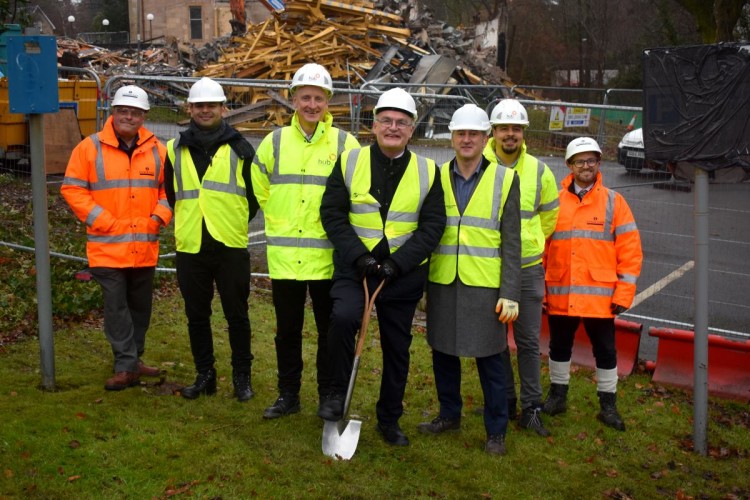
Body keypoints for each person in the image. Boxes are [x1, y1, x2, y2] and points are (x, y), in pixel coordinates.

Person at [319, 87, 446, 446]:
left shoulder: (428, 171)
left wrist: (397, 264)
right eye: (386, 121)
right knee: (343, 319)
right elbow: (332, 214)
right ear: (374, 126)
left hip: (401, 276)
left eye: (401, 123)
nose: (393, 127)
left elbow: (433, 226)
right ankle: (333, 395)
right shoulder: (349, 162)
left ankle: (389, 418)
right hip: (355, 268)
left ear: (412, 129)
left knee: (397, 347)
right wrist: (360, 256)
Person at [250, 64, 360, 419]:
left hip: (328, 260)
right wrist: (282, 219)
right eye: (305, 97)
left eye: (318, 98)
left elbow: (356, 195)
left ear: (328, 102)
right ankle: (288, 395)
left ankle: (328, 395)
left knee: (329, 332)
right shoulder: (275, 141)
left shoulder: (345, 144)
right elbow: (260, 188)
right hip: (285, 258)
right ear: (293, 99)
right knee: (287, 331)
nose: (311, 104)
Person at [418, 104, 522, 455]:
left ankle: (496, 430)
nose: (466, 140)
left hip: (485, 287)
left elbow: (512, 241)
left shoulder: (506, 179)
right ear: (452, 137)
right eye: (461, 133)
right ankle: (450, 414)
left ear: (485, 138)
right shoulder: (434, 176)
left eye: (473, 134)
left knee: (491, 359)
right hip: (444, 282)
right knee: (443, 353)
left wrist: (510, 292)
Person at [61, 85, 173, 390]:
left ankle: (134, 359)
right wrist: (103, 220)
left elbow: (169, 191)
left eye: (135, 112)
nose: (129, 116)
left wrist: (157, 219)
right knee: (116, 308)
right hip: (107, 249)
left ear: (144, 116)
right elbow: (72, 188)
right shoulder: (89, 147)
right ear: (113, 112)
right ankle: (125, 364)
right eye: (124, 111)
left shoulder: (158, 150)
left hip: (143, 246)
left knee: (140, 308)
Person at [164, 77, 259, 402]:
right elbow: (172, 192)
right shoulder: (174, 150)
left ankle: (241, 378)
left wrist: (229, 220)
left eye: (211, 105)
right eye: (199, 105)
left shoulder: (241, 148)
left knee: (237, 315)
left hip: (229, 245)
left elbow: (254, 197)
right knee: (197, 315)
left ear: (223, 108)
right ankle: (205, 375)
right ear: (190, 108)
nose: (205, 110)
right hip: (191, 245)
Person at [542, 137, 642, 431]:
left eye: (591, 161)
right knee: (559, 346)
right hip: (561, 290)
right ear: (570, 165)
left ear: (599, 164)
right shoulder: (555, 203)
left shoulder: (614, 202)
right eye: (580, 161)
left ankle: (608, 406)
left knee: (606, 350)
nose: (586, 166)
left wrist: (624, 292)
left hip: (601, 297)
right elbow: (544, 246)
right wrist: (543, 288)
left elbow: (630, 251)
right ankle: (557, 397)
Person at [483, 99, 559, 436]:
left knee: (528, 341)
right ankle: (505, 400)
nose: (509, 134)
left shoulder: (540, 171)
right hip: (488, 268)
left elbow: (549, 219)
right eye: (503, 128)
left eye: (515, 128)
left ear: (523, 132)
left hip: (527, 268)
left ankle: (531, 407)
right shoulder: (477, 164)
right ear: (494, 131)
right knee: (495, 341)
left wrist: (526, 244)